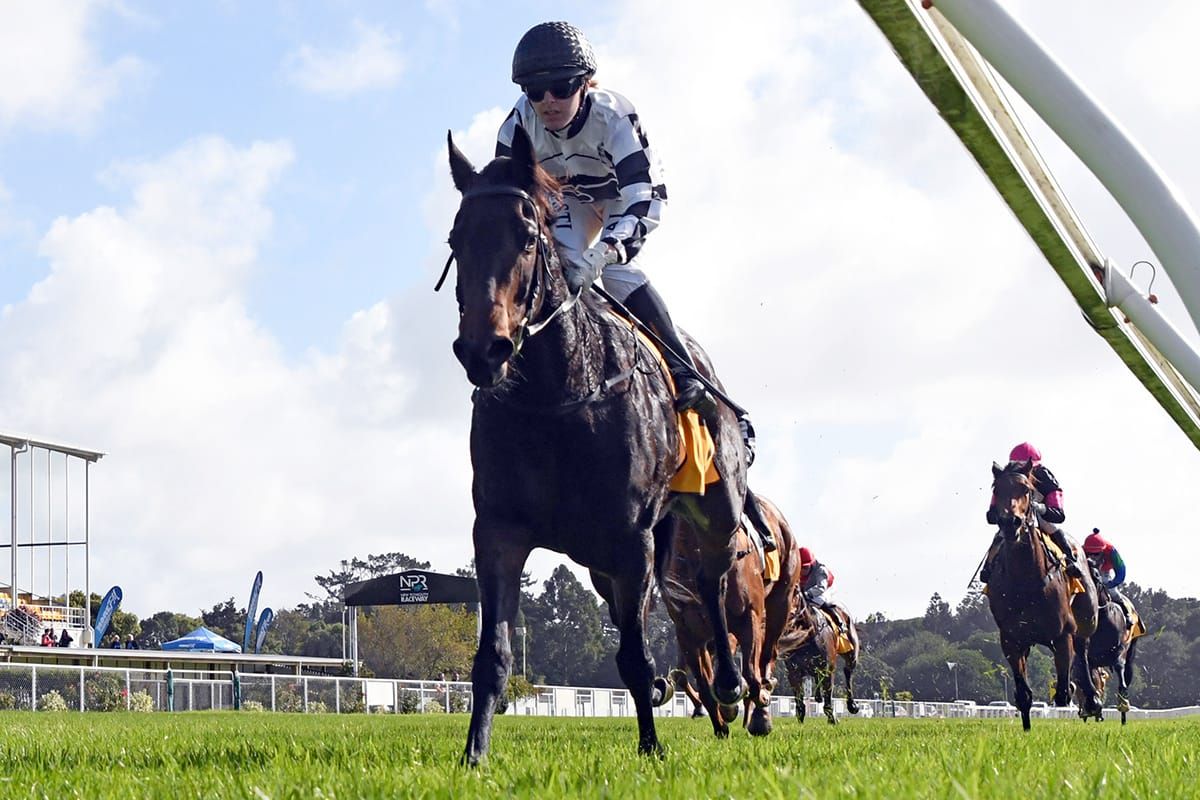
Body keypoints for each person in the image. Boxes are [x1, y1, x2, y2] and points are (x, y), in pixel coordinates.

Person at [497, 21, 715, 419]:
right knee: (554, 268)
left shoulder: (615, 117)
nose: (548, 102)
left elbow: (642, 200)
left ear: (585, 84)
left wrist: (601, 256)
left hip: (624, 198)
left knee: (616, 275)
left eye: (562, 88)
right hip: (570, 201)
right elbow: (508, 202)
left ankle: (684, 369)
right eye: (534, 91)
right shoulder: (517, 125)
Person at [980, 442, 1084, 582]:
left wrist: (1041, 508)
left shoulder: (1045, 477)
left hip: (1039, 516)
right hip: (1015, 517)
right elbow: (991, 515)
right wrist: (999, 515)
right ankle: (988, 567)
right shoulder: (1006, 479)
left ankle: (1072, 562)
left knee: (1053, 528)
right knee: (1000, 535)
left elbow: (1059, 515)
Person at [1084, 528, 1132, 617]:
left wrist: (1111, 584)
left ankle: (1125, 613)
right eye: (1089, 553)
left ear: (1103, 550)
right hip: (1089, 569)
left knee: (1111, 590)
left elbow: (1121, 570)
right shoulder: (1083, 550)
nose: (1092, 556)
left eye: (1096, 554)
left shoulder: (1112, 552)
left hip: (1104, 570)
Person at [799, 547, 841, 634]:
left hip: (827, 588)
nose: (802, 571)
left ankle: (838, 621)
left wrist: (808, 594)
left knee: (819, 600)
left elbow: (821, 587)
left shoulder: (820, 570)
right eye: (801, 567)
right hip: (809, 590)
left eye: (805, 567)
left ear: (811, 564)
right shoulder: (796, 570)